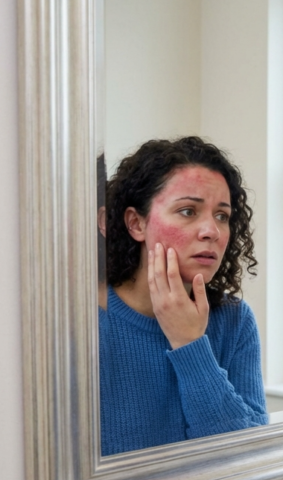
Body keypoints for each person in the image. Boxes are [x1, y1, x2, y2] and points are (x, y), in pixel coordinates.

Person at [100, 136, 267, 456]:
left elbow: (245, 455)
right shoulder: (86, 322)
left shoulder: (235, 321)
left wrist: (190, 344)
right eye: (188, 211)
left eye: (222, 215)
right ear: (136, 223)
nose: (212, 231)